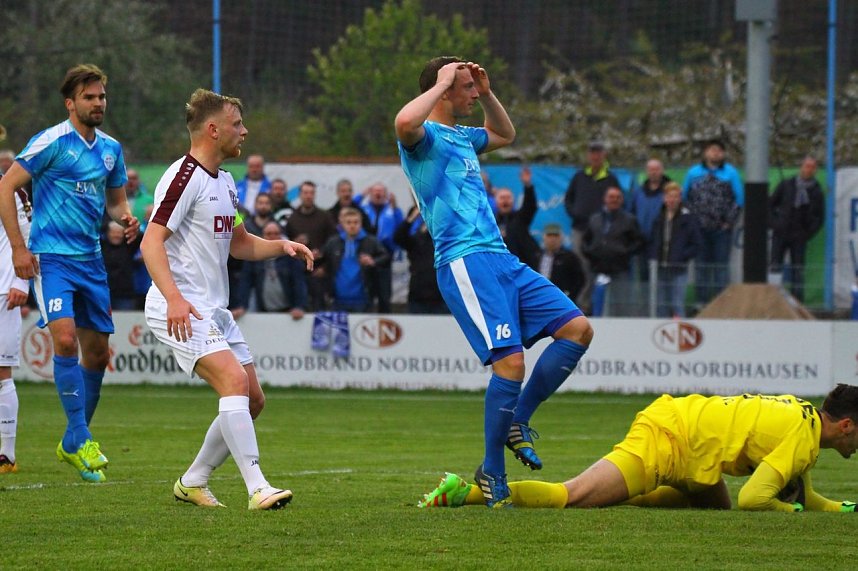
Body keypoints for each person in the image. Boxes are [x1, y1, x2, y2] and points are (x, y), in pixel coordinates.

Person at [396, 57, 593, 507]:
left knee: (578, 329)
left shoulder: (463, 136)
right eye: (465, 87)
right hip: (465, 262)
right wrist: (442, 82)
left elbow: (505, 134)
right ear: (443, 88)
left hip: (502, 259)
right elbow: (404, 121)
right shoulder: (423, 138)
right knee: (510, 364)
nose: (471, 93)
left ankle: (517, 420)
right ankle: (492, 472)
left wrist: (486, 93)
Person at [141, 88, 313, 510]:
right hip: (179, 306)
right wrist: (174, 298)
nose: (245, 131)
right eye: (237, 124)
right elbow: (150, 242)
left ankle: (192, 481)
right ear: (213, 129)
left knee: (252, 399)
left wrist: (281, 246)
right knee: (233, 383)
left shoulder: (226, 181)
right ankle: (258, 487)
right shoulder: (183, 176)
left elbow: (240, 243)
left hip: (213, 309)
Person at [0, 64, 139, 483]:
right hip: (52, 260)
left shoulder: (110, 149)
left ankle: (71, 441)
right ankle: (83, 437)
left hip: (91, 261)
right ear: (70, 103)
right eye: (89, 97)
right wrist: (19, 249)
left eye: (101, 97)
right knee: (64, 339)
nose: (98, 103)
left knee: (98, 355)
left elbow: (115, 201)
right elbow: (6, 186)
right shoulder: (51, 142)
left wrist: (125, 216)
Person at [419, 384, 858, 513]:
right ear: (846, 425)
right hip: (671, 439)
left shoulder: (803, 418)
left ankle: (620, 492)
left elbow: (801, 492)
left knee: (713, 508)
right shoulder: (803, 438)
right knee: (573, 496)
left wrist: (841, 508)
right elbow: (755, 499)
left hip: (690, 441)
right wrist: (787, 511)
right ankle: (466, 492)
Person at [682, 140, 743, 306]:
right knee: (700, 267)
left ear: (723, 154)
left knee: (721, 268)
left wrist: (729, 222)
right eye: (711, 150)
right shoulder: (693, 172)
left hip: (721, 230)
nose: (715, 153)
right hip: (699, 230)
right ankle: (700, 304)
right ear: (705, 153)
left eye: (719, 150)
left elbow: (739, 199)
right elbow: (684, 198)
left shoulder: (731, 172)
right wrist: (692, 223)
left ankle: (721, 305)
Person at [563, 141, 621, 313]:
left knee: (596, 269)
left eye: (598, 152)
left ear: (604, 155)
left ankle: (593, 305)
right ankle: (580, 304)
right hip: (580, 229)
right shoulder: (579, 176)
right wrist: (575, 214)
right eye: (592, 153)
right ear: (588, 156)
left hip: (600, 232)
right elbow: (568, 199)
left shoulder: (610, 178)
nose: (595, 156)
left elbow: (618, 202)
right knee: (580, 266)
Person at [0, 164, 31, 474]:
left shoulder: (10, 188)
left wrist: (22, 282)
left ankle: (6, 455)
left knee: (1, 372)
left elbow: (27, 236)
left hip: (3, 290)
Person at [581, 186, 644, 316]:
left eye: (617, 197)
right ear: (605, 199)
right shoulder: (594, 219)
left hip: (620, 269)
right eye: (611, 197)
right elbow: (585, 240)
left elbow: (639, 242)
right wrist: (591, 252)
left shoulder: (629, 220)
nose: (614, 200)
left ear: (622, 200)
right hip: (598, 269)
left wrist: (624, 252)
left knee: (621, 304)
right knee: (596, 303)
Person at [768, 157, 825, 302]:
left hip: (799, 235)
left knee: (798, 270)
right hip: (780, 233)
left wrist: (807, 233)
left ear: (816, 170)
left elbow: (819, 217)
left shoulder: (816, 191)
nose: (808, 170)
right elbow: (770, 205)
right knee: (775, 267)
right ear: (801, 167)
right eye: (806, 166)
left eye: (812, 167)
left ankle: (797, 303)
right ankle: (773, 300)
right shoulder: (787, 184)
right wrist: (775, 223)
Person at [317, 207, 389, 312]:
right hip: (337, 300)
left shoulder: (370, 241)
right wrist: (314, 257)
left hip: (363, 300)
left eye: (356, 222)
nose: (352, 225)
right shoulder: (333, 242)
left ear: (361, 224)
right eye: (348, 222)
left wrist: (373, 261)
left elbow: (386, 257)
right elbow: (321, 259)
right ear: (342, 224)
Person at [649, 182, 702, 318]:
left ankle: (679, 327)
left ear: (680, 198)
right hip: (661, 267)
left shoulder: (688, 218)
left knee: (677, 303)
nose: (672, 200)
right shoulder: (659, 217)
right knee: (661, 304)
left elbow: (696, 243)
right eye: (669, 196)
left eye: (675, 197)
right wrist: (654, 255)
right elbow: (653, 239)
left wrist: (683, 256)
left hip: (679, 268)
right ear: (664, 198)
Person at [235, 221, 307, 319]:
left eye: (276, 233)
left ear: (281, 235)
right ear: (262, 236)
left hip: (289, 312)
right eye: (268, 234)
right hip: (262, 311)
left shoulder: (291, 256)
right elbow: (245, 282)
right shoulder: (254, 256)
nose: (272, 236)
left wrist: (299, 306)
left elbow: (299, 283)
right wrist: (242, 306)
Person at [287, 180, 337, 311]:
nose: (308, 196)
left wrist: (325, 265)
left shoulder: (325, 217)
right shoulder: (292, 218)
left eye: (311, 193)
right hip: (298, 271)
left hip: (320, 270)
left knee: (319, 307)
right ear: (300, 195)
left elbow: (334, 243)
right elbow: (286, 243)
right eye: (305, 193)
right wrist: (295, 242)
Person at [394, 204, 448, 314]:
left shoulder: (444, 241)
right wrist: (411, 219)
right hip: (418, 295)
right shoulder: (415, 242)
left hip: (441, 295)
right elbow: (398, 238)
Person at [359, 182, 403, 313]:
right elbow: (350, 206)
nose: (378, 194)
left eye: (381, 191)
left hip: (385, 255)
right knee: (366, 293)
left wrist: (395, 208)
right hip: (367, 252)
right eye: (375, 191)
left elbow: (401, 229)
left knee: (384, 294)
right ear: (370, 193)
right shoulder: (363, 208)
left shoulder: (392, 210)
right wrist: (361, 195)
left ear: (386, 194)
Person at [627, 159, 671, 282]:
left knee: (663, 278)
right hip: (642, 242)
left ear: (662, 170)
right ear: (646, 171)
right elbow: (631, 214)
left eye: (656, 169)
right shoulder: (638, 192)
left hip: (664, 242)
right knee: (644, 277)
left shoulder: (670, 191)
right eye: (651, 169)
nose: (653, 172)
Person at [494, 167, 540, 270]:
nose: (505, 201)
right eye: (502, 198)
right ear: (496, 201)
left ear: (513, 201)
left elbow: (530, 205)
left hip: (524, 267)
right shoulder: (492, 223)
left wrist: (528, 185)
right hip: (502, 268)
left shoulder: (520, 218)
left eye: (508, 197)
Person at [537, 224, 586, 305]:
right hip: (539, 299)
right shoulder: (537, 256)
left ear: (561, 238)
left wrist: (569, 297)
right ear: (544, 237)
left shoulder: (569, 257)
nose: (552, 239)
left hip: (561, 301)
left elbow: (580, 280)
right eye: (549, 235)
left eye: (556, 236)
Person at [101, 221, 143, 310]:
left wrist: (128, 225)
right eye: (113, 232)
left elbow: (141, 236)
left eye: (119, 233)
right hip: (104, 292)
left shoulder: (129, 246)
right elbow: (96, 230)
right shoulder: (101, 245)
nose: (116, 235)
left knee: (126, 318)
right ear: (108, 233)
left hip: (125, 294)